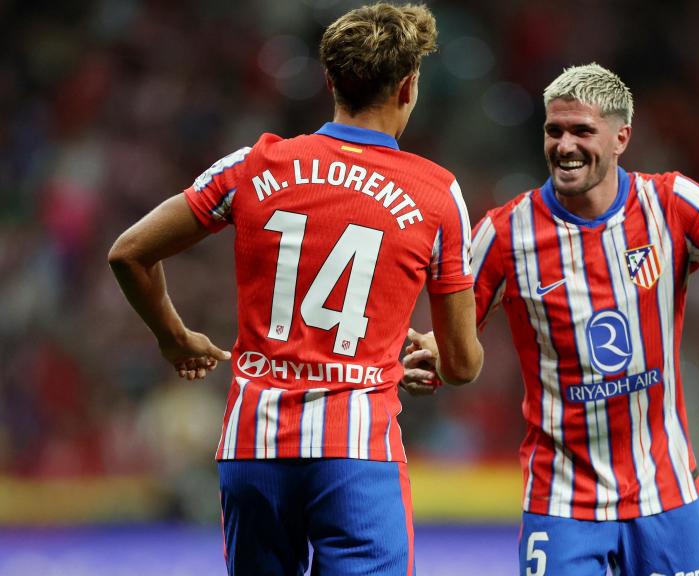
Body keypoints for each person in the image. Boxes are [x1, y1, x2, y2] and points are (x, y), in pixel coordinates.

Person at [107, 3, 483, 575]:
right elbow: (461, 364)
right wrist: (437, 355)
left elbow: (128, 253)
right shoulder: (436, 194)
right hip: (357, 455)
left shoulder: (254, 165)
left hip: (253, 449)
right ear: (408, 87)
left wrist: (175, 338)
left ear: (330, 80)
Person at [402, 63, 699, 576]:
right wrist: (430, 361)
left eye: (581, 131)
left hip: (665, 491)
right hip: (562, 500)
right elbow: (453, 340)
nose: (564, 145)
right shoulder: (504, 234)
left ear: (620, 138)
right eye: (554, 130)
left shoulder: (673, 202)